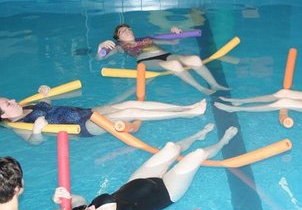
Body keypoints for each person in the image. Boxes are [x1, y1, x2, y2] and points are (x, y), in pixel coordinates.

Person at [58, 123, 238, 210]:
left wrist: (65, 196)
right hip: (167, 192)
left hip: (139, 179)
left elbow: (78, 200)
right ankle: (223, 142)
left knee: (171, 147)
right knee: (198, 154)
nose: (92, 207)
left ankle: (197, 135)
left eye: (87, 208)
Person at [0, 85, 207, 144]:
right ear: (3, 117)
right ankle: (187, 114)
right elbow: (34, 141)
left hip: (86, 112)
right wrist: (37, 131)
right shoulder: (19, 124)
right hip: (83, 127)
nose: (13, 101)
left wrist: (45, 92)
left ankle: (184, 107)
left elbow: (47, 103)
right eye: (8, 104)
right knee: (129, 112)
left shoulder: (27, 106)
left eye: (9, 99)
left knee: (131, 103)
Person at [97, 24, 229, 95]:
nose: (126, 31)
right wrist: (101, 47)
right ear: (118, 37)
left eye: (128, 29)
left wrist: (175, 31)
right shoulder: (120, 46)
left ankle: (215, 84)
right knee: (174, 65)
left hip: (166, 54)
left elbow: (174, 42)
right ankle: (201, 88)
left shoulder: (146, 38)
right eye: (122, 31)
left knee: (195, 59)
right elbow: (101, 58)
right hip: (147, 60)